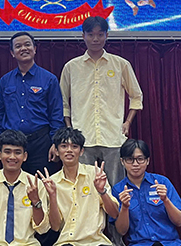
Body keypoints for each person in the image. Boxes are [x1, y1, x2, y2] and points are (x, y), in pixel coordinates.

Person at [59, 16, 142, 186]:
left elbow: (136, 96)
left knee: (116, 186)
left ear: (107, 35)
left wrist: (127, 122)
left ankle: (115, 206)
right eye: (90, 34)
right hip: (82, 136)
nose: (95, 39)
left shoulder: (120, 64)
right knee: (84, 185)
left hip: (112, 135)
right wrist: (69, 128)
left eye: (100, 34)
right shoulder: (71, 67)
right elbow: (62, 101)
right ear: (83, 36)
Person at [0, 32, 64, 176]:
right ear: (12, 53)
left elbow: (56, 114)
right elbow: (0, 113)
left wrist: (55, 143)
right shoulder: (5, 80)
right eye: (18, 46)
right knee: (14, 183)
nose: (23, 48)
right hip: (12, 144)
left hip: (41, 144)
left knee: (42, 184)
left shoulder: (49, 79)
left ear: (35, 49)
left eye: (27, 45)